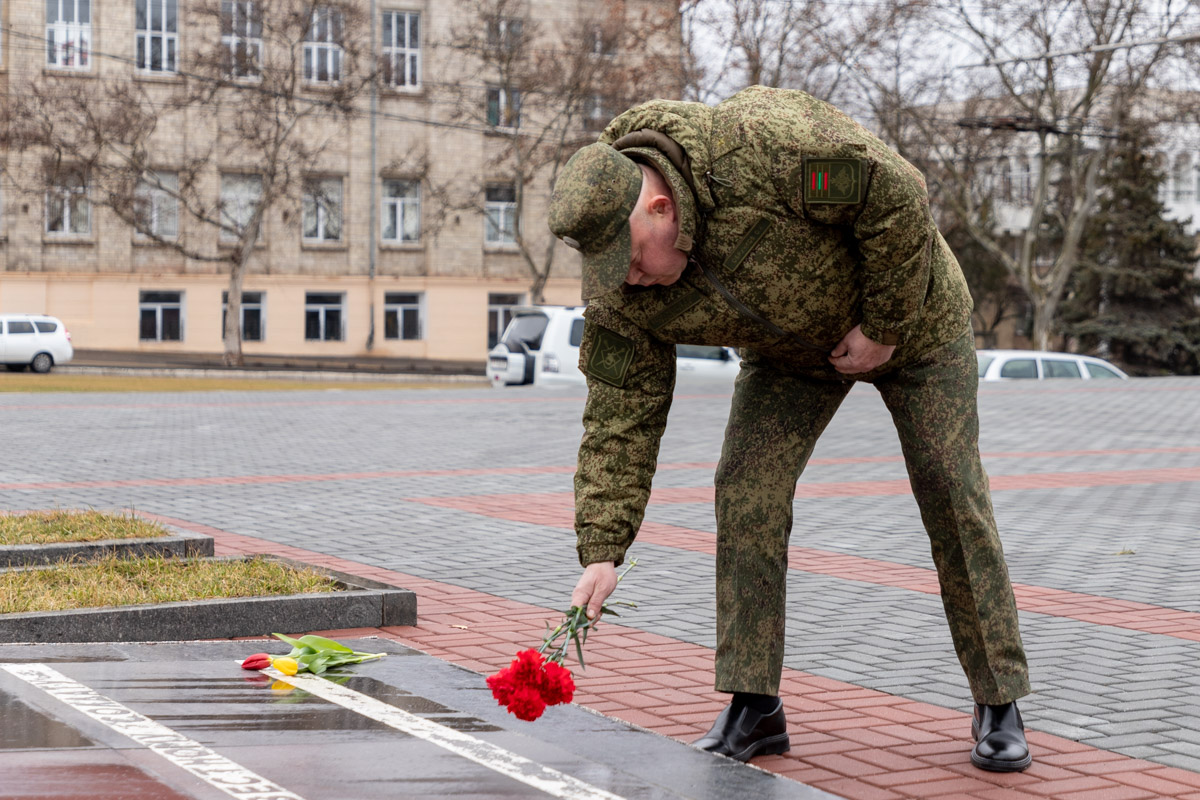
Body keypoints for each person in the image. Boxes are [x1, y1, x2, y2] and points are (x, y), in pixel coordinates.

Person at [549, 86, 1032, 772]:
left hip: (913, 322)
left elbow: (894, 191)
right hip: (794, 359)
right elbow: (620, 415)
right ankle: (755, 704)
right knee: (746, 488)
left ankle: (1000, 698)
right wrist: (602, 546)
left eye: (627, 258)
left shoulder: (766, 149)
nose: (628, 280)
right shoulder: (625, 297)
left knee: (948, 482)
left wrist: (884, 328)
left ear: (660, 209)